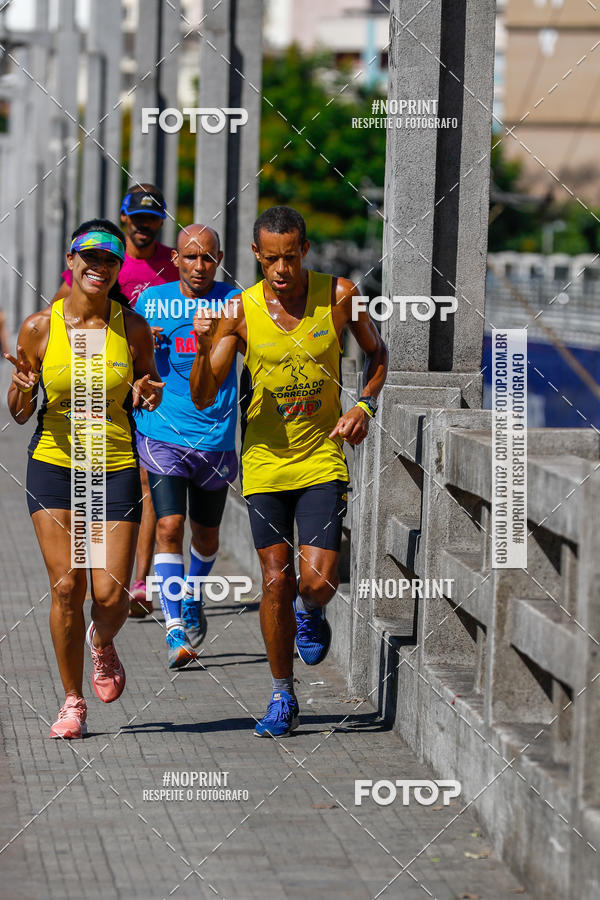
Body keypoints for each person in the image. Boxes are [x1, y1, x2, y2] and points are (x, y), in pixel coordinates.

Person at [190, 206, 388, 737]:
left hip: (321, 455)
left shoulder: (340, 294)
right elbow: (206, 395)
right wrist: (205, 345)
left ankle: (313, 609)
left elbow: (378, 355)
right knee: (275, 580)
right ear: (257, 255)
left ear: (305, 249)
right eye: (270, 259)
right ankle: (282, 695)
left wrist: (364, 407)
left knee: (318, 583)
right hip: (263, 463)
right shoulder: (239, 309)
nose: (281, 269)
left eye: (290, 256)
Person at [5, 219, 164, 739]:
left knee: (111, 596)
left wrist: (148, 391)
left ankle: (102, 642)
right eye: (89, 257)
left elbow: (148, 385)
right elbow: (20, 411)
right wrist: (23, 388)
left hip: (113, 465)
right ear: (71, 262)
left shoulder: (132, 328)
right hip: (54, 463)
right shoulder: (40, 328)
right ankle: (72, 700)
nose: (99, 267)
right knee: (68, 585)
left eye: (110, 260)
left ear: (119, 269)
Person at [51, 184, 179, 620]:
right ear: (125, 219)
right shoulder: (100, 256)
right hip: (94, 386)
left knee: (143, 486)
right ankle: (101, 582)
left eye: (153, 219)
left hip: (149, 385)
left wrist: (143, 334)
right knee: (94, 488)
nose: (145, 227)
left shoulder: (171, 263)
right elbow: (61, 312)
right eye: (138, 219)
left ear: (161, 221)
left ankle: (136, 582)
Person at [135, 224, 239, 668]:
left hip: (214, 435)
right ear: (175, 259)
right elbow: (127, 355)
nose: (199, 266)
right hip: (162, 432)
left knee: (206, 534)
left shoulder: (236, 304)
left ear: (219, 259)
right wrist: (146, 344)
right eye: (190, 257)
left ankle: (193, 591)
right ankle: (175, 628)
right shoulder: (150, 300)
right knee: (168, 527)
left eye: (208, 258)